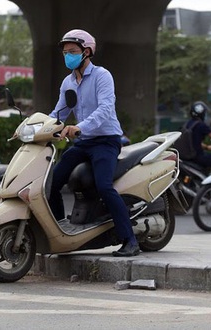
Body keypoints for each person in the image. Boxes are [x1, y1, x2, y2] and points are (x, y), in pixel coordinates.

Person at [48, 28, 139, 257]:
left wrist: (79, 127)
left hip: (106, 141)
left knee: (104, 186)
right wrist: (38, 127)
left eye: (72, 51)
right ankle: (60, 232)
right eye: (65, 52)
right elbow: (59, 112)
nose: (67, 56)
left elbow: (105, 109)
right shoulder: (68, 82)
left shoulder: (102, 76)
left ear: (86, 52)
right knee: (50, 183)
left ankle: (130, 240)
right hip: (84, 142)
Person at [185, 101, 211, 169]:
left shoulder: (188, 124)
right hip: (198, 156)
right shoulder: (201, 125)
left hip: (188, 156)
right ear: (202, 113)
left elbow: (193, 142)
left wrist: (207, 147)